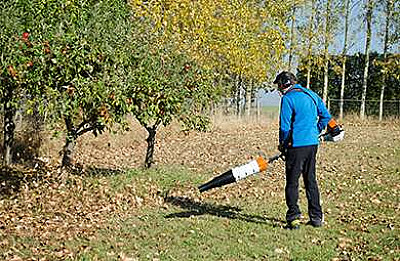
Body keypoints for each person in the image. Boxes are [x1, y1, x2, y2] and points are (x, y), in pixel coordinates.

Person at [273, 71, 331, 230]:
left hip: (295, 146)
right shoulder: (312, 95)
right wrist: (315, 131)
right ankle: (316, 217)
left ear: (285, 84)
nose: (279, 89)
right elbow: (326, 117)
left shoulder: (288, 99)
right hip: (312, 145)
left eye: (279, 85)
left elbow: (284, 127)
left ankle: (293, 219)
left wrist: (283, 145)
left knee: (292, 182)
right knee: (310, 180)